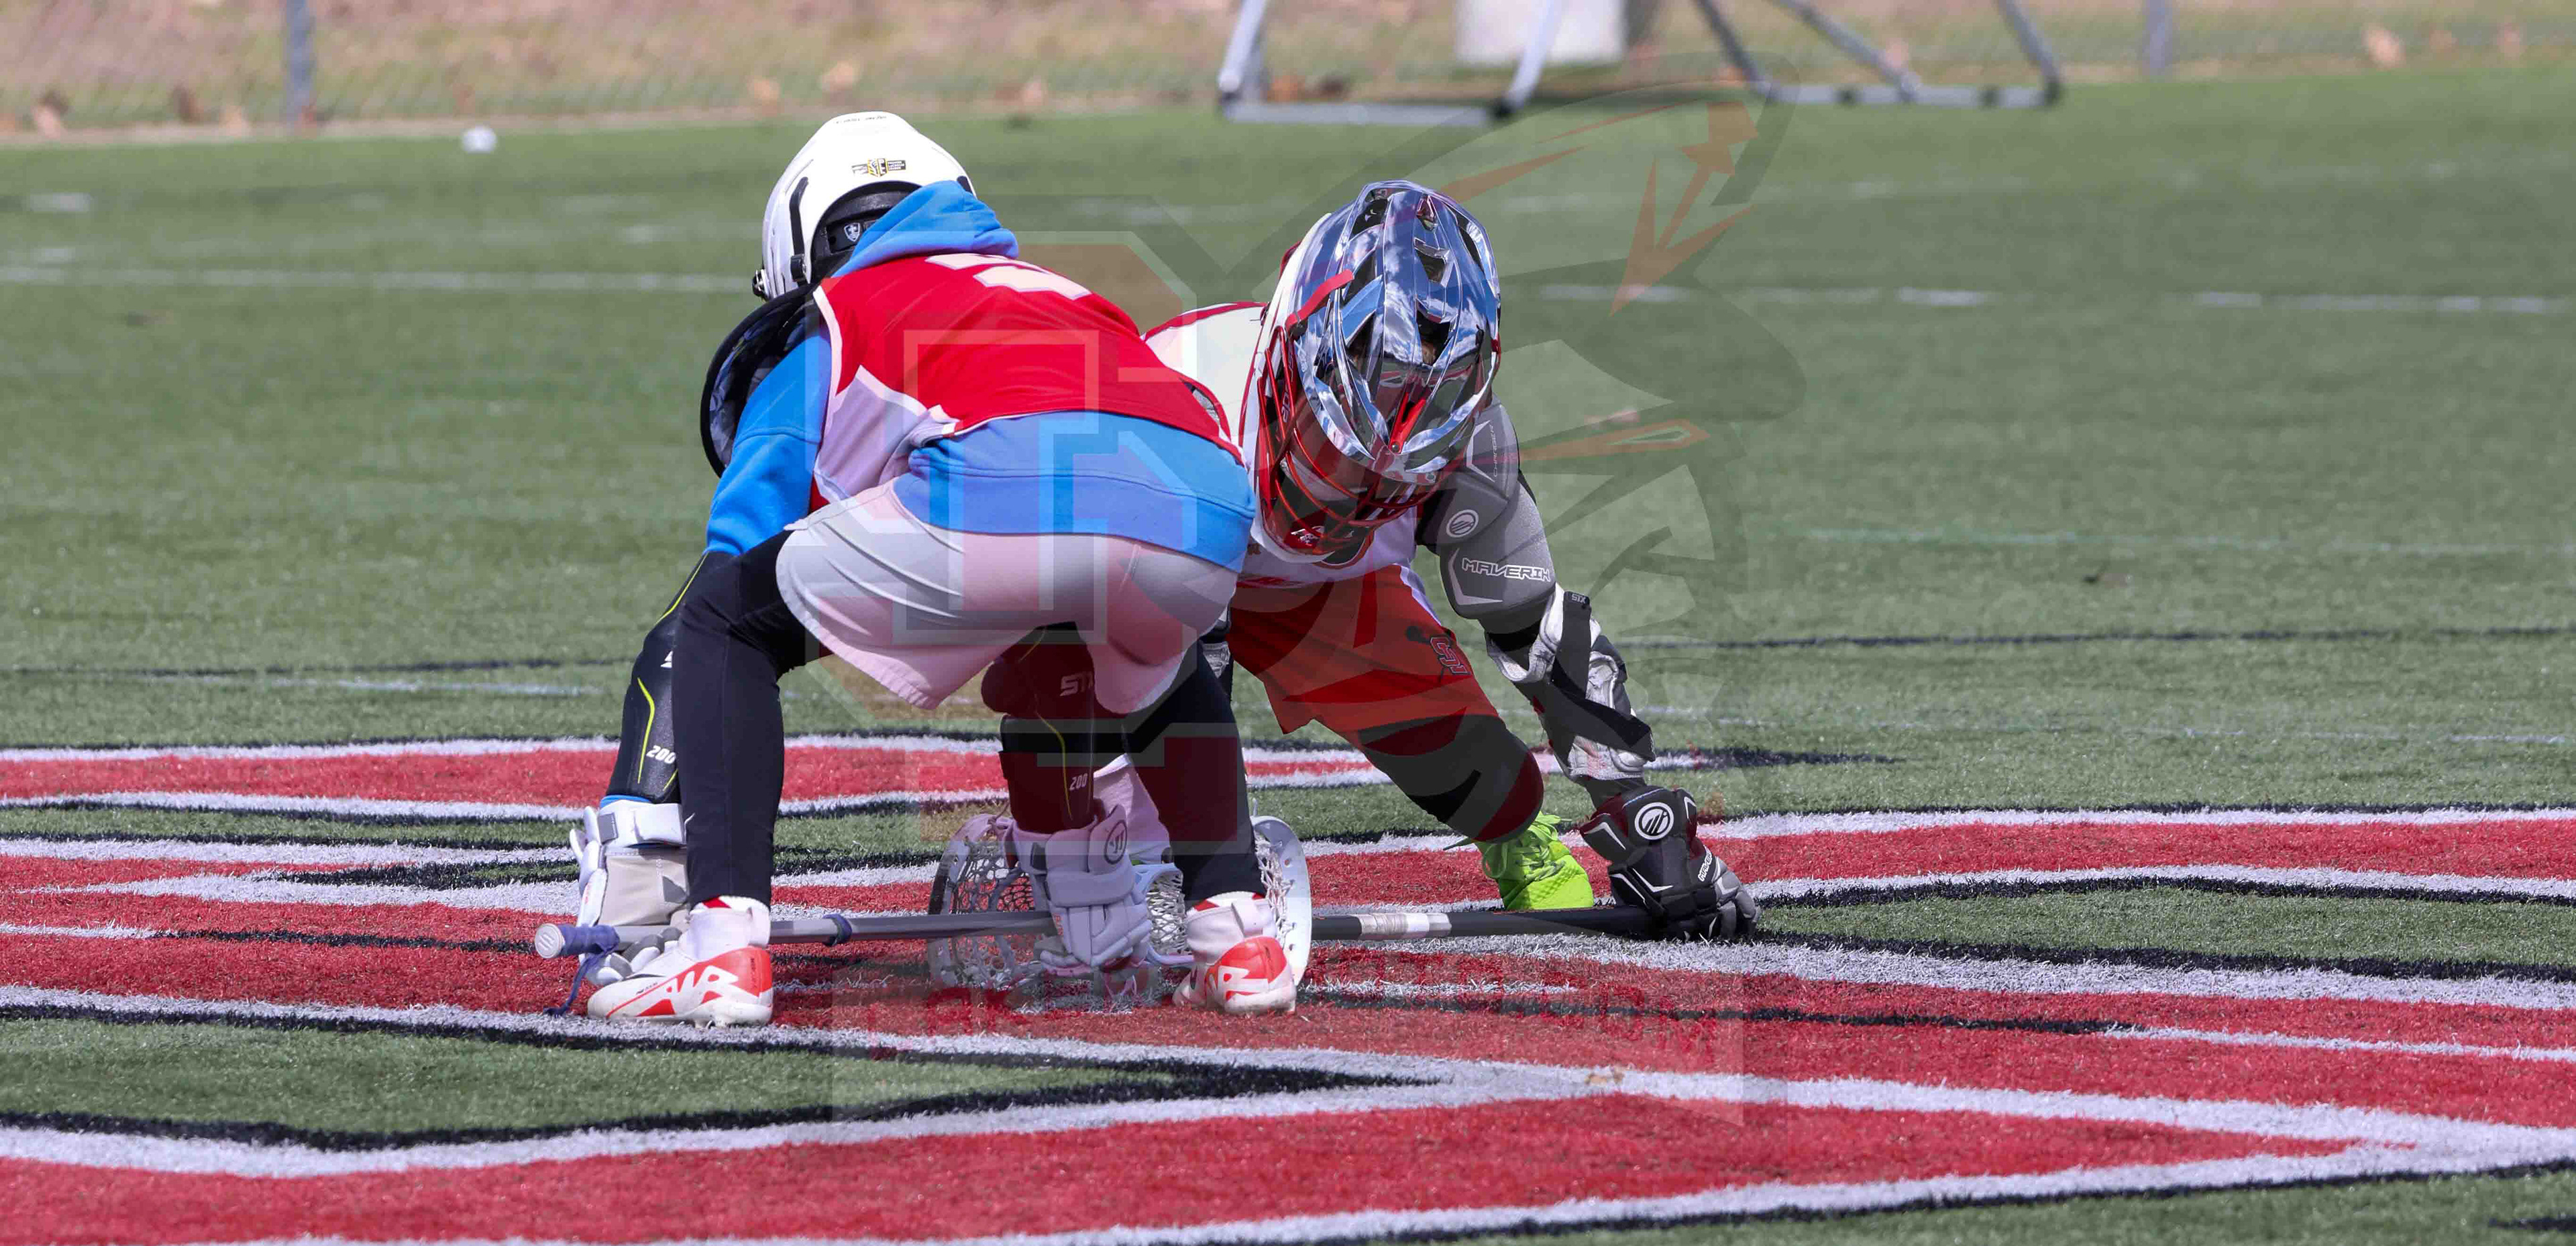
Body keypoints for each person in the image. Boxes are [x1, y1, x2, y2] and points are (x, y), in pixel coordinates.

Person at [573, 112, 1288, 1027]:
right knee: (1154, 657)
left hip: (1003, 492)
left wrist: (644, 806)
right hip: (1205, 504)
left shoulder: (839, 312)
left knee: (723, 621)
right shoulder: (1060, 290)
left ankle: (720, 951)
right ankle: (1239, 937)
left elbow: (730, 568)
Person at [1142, 181, 1756, 939]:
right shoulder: (1175, 387)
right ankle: (1101, 850)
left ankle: (1520, 846)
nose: (1362, 487)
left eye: (1396, 471)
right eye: (1341, 449)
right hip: (1160, 575)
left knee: (1482, 774)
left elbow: (1538, 632)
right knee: (1144, 690)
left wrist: (1640, 818)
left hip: (1325, 593)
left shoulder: (1470, 446)